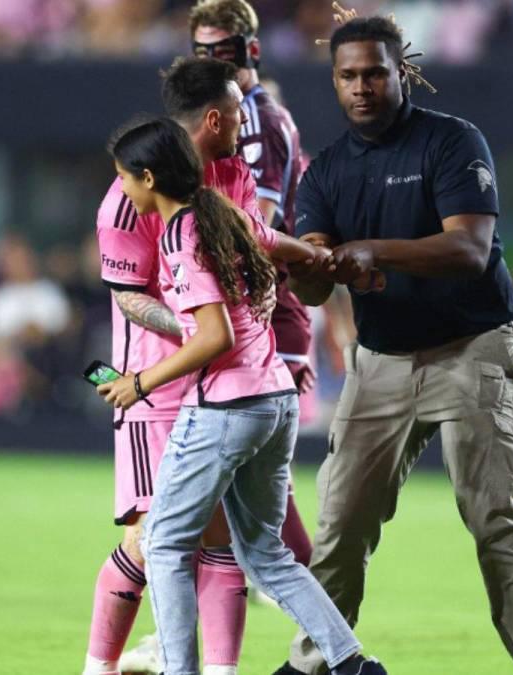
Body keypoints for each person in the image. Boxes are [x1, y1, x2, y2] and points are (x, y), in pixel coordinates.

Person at [272, 14, 513, 675]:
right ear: (334, 81)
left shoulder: (451, 142)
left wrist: (372, 251)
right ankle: (315, 664)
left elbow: (469, 248)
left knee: (494, 520)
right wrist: (304, 263)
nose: (362, 87)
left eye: (375, 72)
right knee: (340, 521)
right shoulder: (325, 174)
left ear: (401, 71)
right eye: (348, 76)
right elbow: (315, 284)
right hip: (380, 362)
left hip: (472, 350)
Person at [100, 116, 386, 675]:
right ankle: (352, 664)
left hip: (225, 407)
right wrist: (318, 258)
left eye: (125, 177)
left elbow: (214, 337)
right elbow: (273, 241)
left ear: (149, 178)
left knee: (163, 544)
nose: (124, 189)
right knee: (265, 553)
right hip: (274, 399)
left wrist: (140, 382)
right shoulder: (222, 213)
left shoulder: (180, 234)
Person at [86, 56, 295, 675]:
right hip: (154, 387)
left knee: (220, 536)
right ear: (214, 118)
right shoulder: (125, 202)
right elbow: (128, 296)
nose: (245, 122)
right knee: (147, 539)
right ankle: (99, 666)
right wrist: (202, 330)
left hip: (225, 382)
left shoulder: (233, 171)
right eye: (237, 111)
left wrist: (288, 275)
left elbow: (253, 246)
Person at [189, 0, 315, 572]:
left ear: (251, 51)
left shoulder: (256, 119)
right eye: (203, 54)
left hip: (263, 311)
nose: (215, 64)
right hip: (254, 312)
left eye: (224, 52)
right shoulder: (233, 118)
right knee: (246, 484)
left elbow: (254, 227)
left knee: (236, 475)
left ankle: (317, 596)